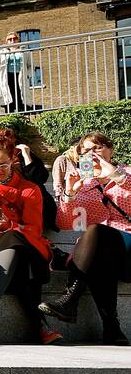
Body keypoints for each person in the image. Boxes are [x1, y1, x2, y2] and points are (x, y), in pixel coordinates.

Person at [0, 134, 59, 344]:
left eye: (3, 165)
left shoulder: (29, 189)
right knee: (21, 264)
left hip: (27, 247)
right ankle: (40, 326)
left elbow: (35, 230)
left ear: (14, 160)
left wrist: (10, 226)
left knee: (14, 237)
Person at [39, 131, 130, 345]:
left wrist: (114, 174)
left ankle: (71, 297)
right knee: (97, 249)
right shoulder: (85, 185)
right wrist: (70, 193)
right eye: (86, 150)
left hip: (128, 250)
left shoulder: (126, 173)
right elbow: (63, 224)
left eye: (97, 148)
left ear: (111, 150)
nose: (92, 154)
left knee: (96, 232)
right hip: (106, 254)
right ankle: (111, 328)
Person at [0, 31, 35, 114]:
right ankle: (10, 115)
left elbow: (31, 65)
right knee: (8, 98)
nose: (12, 41)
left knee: (20, 96)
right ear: (7, 41)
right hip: (6, 77)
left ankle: (21, 116)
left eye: (15, 38)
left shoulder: (25, 51)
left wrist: (28, 75)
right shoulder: (2, 52)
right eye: (10, 39)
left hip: (20, 76)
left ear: (18, 40)